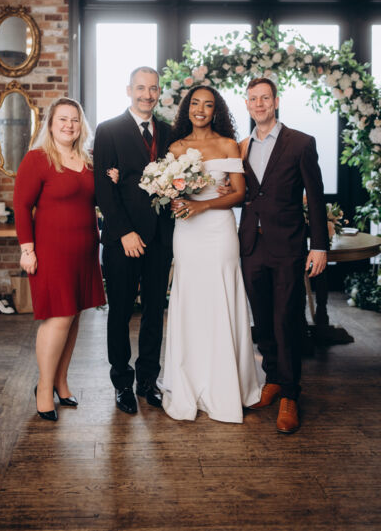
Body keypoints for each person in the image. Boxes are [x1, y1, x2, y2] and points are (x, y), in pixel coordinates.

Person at [161, 86, 262, 423]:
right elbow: (171, 191)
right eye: (195, 103)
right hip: (187, 233)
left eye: (208, 105)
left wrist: (202, 205)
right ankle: (189, 379)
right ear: (187, 108)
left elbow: (239, 193)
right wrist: (175, 200)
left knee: (221, 296)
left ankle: (226, 383)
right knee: (190, 299)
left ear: (216, 110)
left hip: (219, 231)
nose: (200, 110)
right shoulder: (175, 147)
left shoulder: (227, 144)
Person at [238, 77, 328, 434]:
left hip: (288, 244)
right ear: (247, 104)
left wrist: (319, 245)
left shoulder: (301, 143)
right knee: (261, 318)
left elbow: (316, 198)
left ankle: (291, 393)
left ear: (276, 101)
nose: (259, 104)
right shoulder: (242, 146)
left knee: (286, 319)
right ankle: (273, 378)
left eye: (265, 98)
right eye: (253, 99)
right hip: (251, 245)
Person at [14, 97, 105, 422]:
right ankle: (43, 388)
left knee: (74, 315)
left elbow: (97, 200)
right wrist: (27, 250)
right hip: (51, 252)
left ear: (82, 126)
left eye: (75, 120)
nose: (69, 125)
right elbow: (21, 206)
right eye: (63, 119)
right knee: (59, 317)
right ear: (51, 124)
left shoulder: (88, 160)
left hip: (85, 251)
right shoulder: (37, 159)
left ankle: (61, 382)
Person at [93, 67, 173, 414]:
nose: (147, 95)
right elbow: (103, 188)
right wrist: (124, 232)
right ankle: (122, 383)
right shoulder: (108, 130)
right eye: (141, 88)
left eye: (153, 88)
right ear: (129, 90)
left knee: (155, 312)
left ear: (158, 92)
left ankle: (148, 381)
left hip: (160, 239)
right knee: (121, 312)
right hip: (121, 239)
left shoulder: (168, 132)